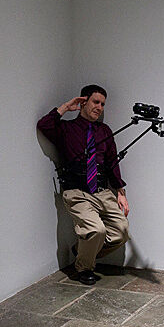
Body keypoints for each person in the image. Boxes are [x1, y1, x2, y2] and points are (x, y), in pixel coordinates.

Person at [37, 85, 130, 285]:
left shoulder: (104, 131)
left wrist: (120, 192)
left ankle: (81, 251)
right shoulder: (67, 129)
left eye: (103, 104)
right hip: (77, 192)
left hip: (101, 191)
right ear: (83, 102)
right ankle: (84, 267)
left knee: (121, 231)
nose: (100, 107)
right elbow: (44, 125)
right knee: (97, 231)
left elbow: (113, 162)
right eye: (96, 102)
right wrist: (65, 107)